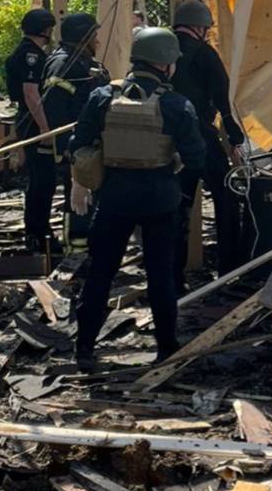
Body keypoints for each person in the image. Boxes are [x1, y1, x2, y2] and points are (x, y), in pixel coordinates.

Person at [70, 28, 206, 370]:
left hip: (113, 198)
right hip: (160, 200)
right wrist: (173, 165)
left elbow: (78, 144)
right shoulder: (177, 105)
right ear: (165, 64)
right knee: (161, 276)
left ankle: (84, 348)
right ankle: (166, 348)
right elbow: (197, 157)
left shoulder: (103, 96)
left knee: (100, 273)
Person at [169, 0, 245, 291]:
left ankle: (174, 280)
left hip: (170, 141)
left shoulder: (163, 50)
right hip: (202, 136)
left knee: (178, 209)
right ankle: (229, 270)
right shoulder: (204, 53)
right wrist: (235, 139)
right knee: (226, 199)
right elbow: (223, 99)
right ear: (199, 27)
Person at [41, 12, 109, 250]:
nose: (98, 41)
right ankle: (77, 251)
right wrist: (70, 151)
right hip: (77, 147)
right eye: (94, 35)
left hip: (92, 144)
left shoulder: (84, 62)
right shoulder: (63, 64)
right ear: (83, 37)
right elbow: (54, 109)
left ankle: (92, 247)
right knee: (79, 200)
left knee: (91, 200)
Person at [4, 7, 57, 253]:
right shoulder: (31, 55)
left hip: (27, 119)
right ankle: (38, 231)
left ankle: (37, 229)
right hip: (33, 121)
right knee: (42, 180)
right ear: (45, 29)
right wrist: (45, 129)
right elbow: (31, 93)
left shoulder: (26, 51)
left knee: (39, 179)